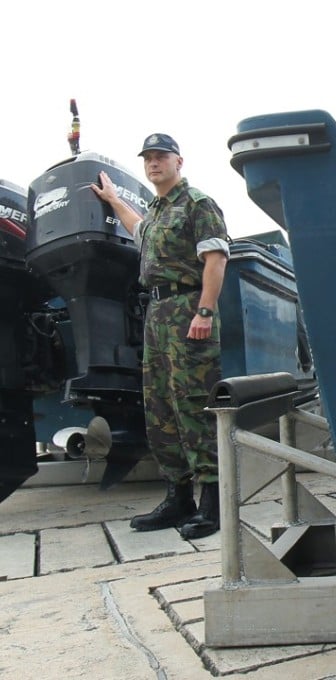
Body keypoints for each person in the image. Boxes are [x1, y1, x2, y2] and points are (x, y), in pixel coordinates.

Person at [91, 133, 230, 540]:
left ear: (178, 162)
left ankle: (213, 502)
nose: (153, 164)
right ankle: (178, 497)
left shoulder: (197, 204)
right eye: (148, 158)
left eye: (161, 157)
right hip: (157, 315)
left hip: (189, 310)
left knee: (193, 405)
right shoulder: (154, 211)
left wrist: (205, 310)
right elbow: (139, 231)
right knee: (161, 409)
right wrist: (115, 200)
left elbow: (216, 260)